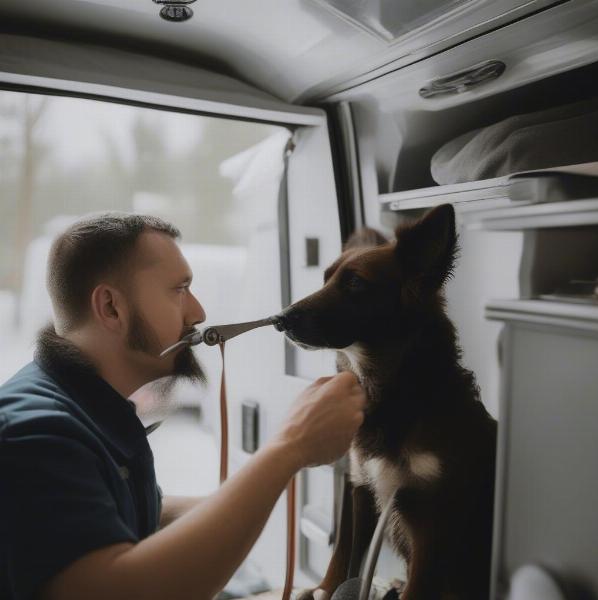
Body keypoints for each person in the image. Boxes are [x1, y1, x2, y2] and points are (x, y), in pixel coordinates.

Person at [0, 213, 366, 600]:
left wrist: (242, 500)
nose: (198, 313)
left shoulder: (86, 407)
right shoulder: (36, 432)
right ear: (111, 307)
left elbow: (128, 512)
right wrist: (290, 447)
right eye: (180, 289)